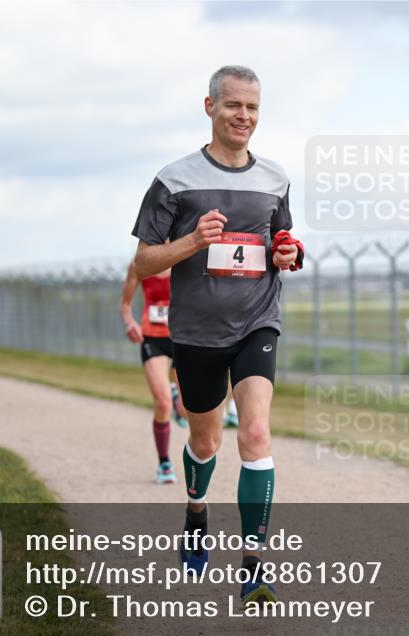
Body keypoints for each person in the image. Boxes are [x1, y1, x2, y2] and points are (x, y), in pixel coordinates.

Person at [132, 65, 303, 606]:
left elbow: (282, 240)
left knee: (255, 433)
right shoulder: (174, 179)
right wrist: (191, 242)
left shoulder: (275, 178)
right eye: (233, 105)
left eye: (252, 107)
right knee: (205, 442)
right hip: (197, 333)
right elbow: (143, 261)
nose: (243, 116)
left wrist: (288, 253)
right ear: (210, 107)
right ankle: (196, 511)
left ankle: (254, 566)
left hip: (257, 322)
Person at [119, 262, 189, 484]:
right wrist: (130, 324)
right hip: (152, 338)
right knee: (163, 404)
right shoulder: (140, 264)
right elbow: (125, 304)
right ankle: (164, 463)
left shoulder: (184, 259)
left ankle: (177, 397)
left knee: (186, 410)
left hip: (183, 337)